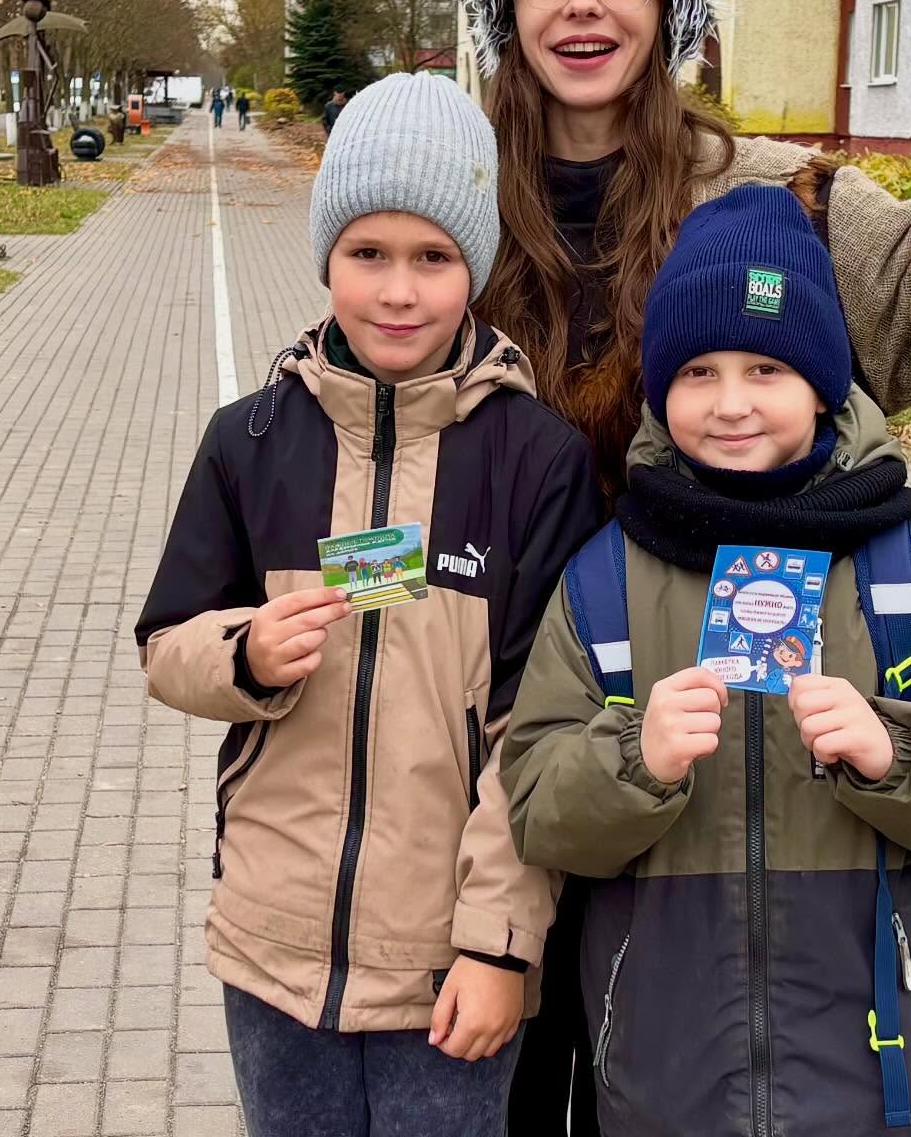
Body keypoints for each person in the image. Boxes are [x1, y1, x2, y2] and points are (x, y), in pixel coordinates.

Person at [463, 0, 911, 1133]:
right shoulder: (452, 208)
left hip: (728, 764)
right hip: (493, 752)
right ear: (505, 8)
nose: (584, 3)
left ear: (670, 3)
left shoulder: (778, 204)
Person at [501, 184, 911, 1137]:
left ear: (824, 384)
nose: (731, 404)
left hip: (877, 1082)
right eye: (698, 372)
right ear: (661, 388)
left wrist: (894, 751)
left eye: (766, 368)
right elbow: (535, 808)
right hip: (664, 1088)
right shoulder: (606, 576)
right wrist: (634, 760)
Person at [135, 72, 603, 1137]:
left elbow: (544, 731)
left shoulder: (537, 461)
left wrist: (498, 948)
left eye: (433, 257)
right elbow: (167, 644)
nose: (398, 291)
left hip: (447, 964)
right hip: (271, 946)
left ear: (475, 267)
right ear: (326, 259)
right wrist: (244, 653)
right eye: (368, 254)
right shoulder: (249, 440)